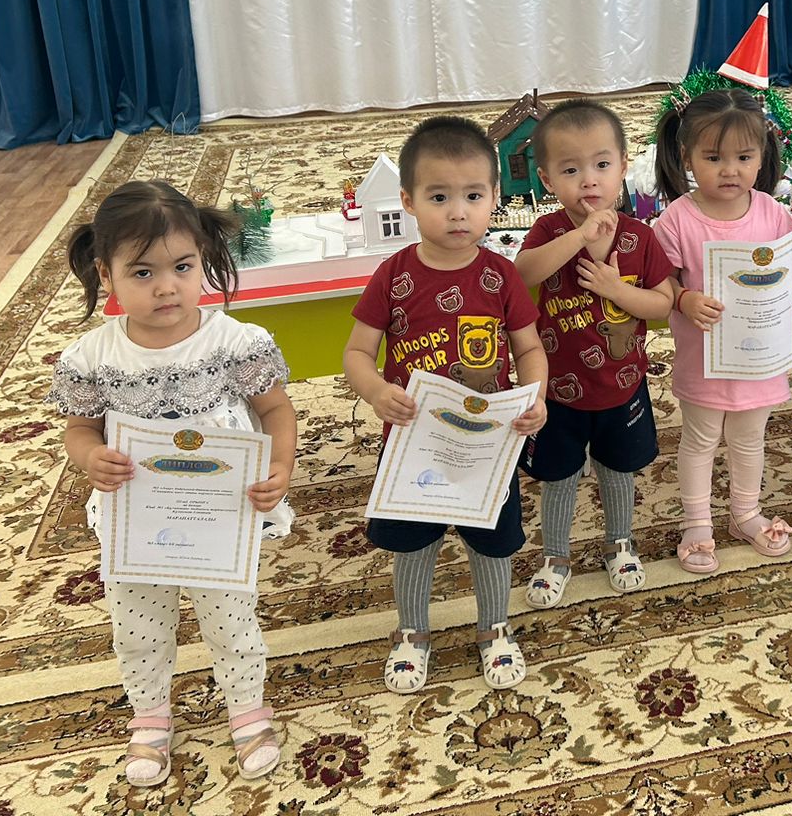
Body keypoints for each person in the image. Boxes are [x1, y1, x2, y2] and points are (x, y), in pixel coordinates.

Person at [53, 180, 295, 788]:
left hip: (220, 518)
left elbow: (275, 411)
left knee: (231, 617)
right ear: (105, 274)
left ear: (203, 260)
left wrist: (280, 468)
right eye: (142, 272)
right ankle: (150, 716)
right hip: (135, 522)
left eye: (182, 267)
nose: (166, 286)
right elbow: (79, 429)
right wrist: (90, 457)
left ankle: (246, 708)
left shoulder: (237, 343)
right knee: (137, 624)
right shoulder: (91, 357)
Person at [343, 116, 547, 692]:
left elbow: (529, 349)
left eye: (473, 196)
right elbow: (357, 352)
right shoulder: (393, 275)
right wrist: (376, 390)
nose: (458, 212)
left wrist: (535, 397)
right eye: (439, 197)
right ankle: (412, 632)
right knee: (413, 545)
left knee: (492, 544)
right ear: (407, 201)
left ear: (495, 198)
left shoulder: (501, 275)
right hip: (413, 446)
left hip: (489, 446)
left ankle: (494, 626)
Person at [651, 88, 792, 573]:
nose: (730, 170)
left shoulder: (772, 212)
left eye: (743, 157)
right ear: (686, 156)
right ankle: (697, 523)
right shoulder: (677, 220)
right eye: (713, 158)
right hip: (704, 360)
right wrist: (682, 298)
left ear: (762, 156)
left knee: (749, 439)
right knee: (701, 439)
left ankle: (745, 513)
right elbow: (660, 281)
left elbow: (791, 272)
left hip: (760, 358)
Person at [514, 100, 675, 607]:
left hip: (621, 385)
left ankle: (619, 543)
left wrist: (616, 289)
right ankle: (555, 556)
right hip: (558, 392)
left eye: (601, 164)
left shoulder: (641, 236)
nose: (588, 180)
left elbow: (664, 303)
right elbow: (522, 274)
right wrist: (579, 236)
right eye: (570, 170)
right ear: (546, 179)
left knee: (618, 471)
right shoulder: (548, 232)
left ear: (623, 166)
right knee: (558, 477)